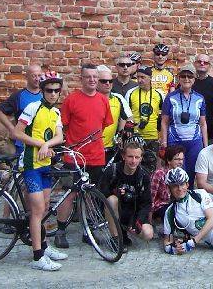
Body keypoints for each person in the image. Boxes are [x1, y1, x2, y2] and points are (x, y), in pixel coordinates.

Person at [54, 63, 113, 249]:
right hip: (75, 156)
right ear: (81, 79)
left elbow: (104, 124)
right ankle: (60, 231)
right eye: (88, 77)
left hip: (96, 156)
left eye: (95, 77)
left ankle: (88, 230)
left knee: (91, 195)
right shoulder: (71, 100)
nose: (92, 80)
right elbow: (63, 125)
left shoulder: (103, 100)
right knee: (70, 193)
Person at [12, 71, 66, 270]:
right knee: (37, 211)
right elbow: (16, 132)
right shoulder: (33, 107)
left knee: (44, 209)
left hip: (45, 164)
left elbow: (59, 136)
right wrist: (40, 144)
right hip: (31, 165)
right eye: (49, 90)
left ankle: (44, 246)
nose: (53, 94)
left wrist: (47, 145)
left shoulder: (55, 112)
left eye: (56, 91)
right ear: (42, 91)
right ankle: (37, 257)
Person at [100, 140, 154, 249]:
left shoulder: (144, 176)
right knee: (111, 200)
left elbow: (147, 203)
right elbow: (100, 191)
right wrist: (114, 192)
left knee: (148, 234)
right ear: (123, 156)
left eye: (137, 157)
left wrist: (139, 220)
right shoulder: (113, 170)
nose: (133, 161)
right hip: (115, 209)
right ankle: (116, 238)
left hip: (133, 212)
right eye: (130, 157)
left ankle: (124, 232)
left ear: (141, 158)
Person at [161, 64, 207, 186]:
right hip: (175, 141)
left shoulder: (200, 98)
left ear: (194, 79)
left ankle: (189, 196)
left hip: (194, 142)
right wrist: (164, 143)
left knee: (191, 175)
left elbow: (203, 123)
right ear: (179, 78)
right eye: (183, 76)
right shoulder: (170, 97)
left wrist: (206, 146)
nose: (186, 79)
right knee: (175, 173)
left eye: (190, 76)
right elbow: (164, 122)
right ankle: (174, 197)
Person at [0, 63, 43, 157]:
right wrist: (12, 129)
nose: (37, 79)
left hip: (42, 142)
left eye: (39, 75)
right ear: (26, 77)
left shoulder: (46, 94)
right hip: (24, 143)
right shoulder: (19, 96)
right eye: (34, 76)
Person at [125, 66, 165, 161]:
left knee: (151, 165)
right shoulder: (130, 93)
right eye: (138, 77)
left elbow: (164, 116)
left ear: (150, 78)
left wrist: (162, 137)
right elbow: (126, 115)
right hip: (135, 136)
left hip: (153, 137)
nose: (139, 80)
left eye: (143, 77)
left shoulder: (159, 94)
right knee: (134, 163)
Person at [97, 64, 132, 163]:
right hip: (92, 149)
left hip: (111, 148)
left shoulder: (118, 98)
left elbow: (128, 117)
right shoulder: (90, 99)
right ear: (96, 82)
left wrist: (121, 132)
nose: (108, 83)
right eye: (103, 81)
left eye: (110, 81)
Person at [150, 145, 186, 227]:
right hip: (160, 206)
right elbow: (151, 197)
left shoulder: (181, 173)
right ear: (169, 161)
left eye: (182, 159)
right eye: (177, 159)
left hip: (176, 204)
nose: (180, 162)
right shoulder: (159, 174)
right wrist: (149, 220)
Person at [192, 54, 213, 142]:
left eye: (205, 62)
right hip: (191, 132)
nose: (202, 64)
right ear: (194, 64)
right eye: (199, 62)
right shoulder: (188, 82)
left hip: (210, 131)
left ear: (209, 66)